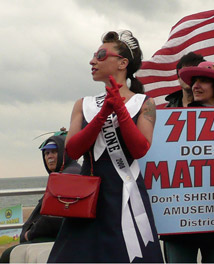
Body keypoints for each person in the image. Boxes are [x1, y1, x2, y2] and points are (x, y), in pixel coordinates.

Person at [48, 30, 163, 263]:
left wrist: (120, 109)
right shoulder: (84, 104)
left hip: (126, 194)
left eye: (101, 55)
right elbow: (72, 150)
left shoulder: (145, 103)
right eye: (93, 55)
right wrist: (101, 116)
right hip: (87, 196)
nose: (93, 61)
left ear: (123, 63)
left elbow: (140, 149)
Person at [162, 61, 214, 263]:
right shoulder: (171, 120)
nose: (195, 85)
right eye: (195, 81)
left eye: (204, 81)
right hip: (179, 222)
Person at [0, 133, 81, 263]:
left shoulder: (67, 176)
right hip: (62, 235)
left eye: (54, 151)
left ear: (63, 153)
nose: (49, 156)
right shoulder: (65, 173)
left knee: (8, 255)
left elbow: (53, 218)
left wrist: (29, 234)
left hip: (62, 238)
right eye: (46, 153)